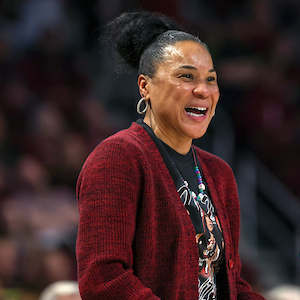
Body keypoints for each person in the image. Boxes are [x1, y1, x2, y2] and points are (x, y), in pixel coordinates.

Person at [76, 11, 266, 300]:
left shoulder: (219, 173)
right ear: (145, 86)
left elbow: (232, 285)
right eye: (186, 76)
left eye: (211, 80)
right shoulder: (118, 157)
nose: (203, 90)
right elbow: (103, 279)